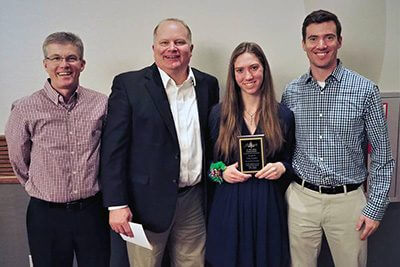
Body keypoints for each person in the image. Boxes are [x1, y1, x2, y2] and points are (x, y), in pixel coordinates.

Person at [99, 18, 220, 266]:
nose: (172, 48)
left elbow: (211, 141)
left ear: (191, 48)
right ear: (153, 48)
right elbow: (114, 149)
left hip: (194, 201)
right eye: (164, 42)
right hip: (145, 205)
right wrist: (116, 204)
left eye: (180, 42)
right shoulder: (129, 85)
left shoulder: (208, 84)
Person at [281, 10, 395, 267]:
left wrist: (375, 208)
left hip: (348, 202)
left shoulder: (365, 90)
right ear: (304, 44)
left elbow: (382, 156)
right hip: (301, 199)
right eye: (313, 39)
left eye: (328, 37)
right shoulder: (291, 92)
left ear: (339, 41)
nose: (321, 45)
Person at [5, 32, 110, 267]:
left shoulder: (101, 104)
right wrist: (41, 186)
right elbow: (18, 160)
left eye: (71, 58)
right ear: (45, 64)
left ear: (82, 64)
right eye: (55, 58)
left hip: (91, 212)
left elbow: (111, 154)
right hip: (46, 215)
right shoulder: (24, 109)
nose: (64, 65)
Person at [205, 42, 294, 267]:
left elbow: (292, 162)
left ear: (264, 69)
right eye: (240, 70)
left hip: (268, 206)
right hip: (229, 206)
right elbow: (208, 167)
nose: (248, 76)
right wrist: (222, 173)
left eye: (254, 67)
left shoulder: (283, 115)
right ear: (233, 74)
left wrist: (282, 167)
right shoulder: (218, 114)